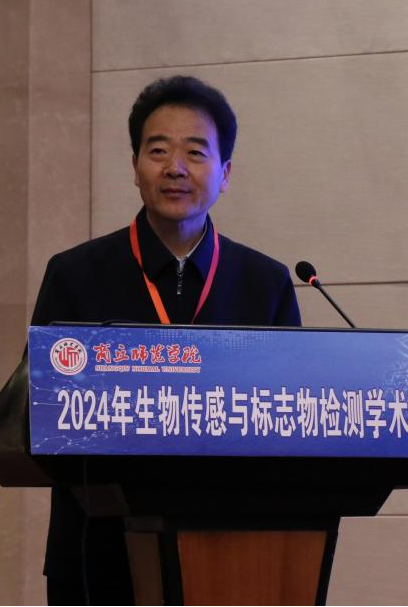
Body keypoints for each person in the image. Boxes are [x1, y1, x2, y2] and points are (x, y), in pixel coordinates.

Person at [31, 75, 301, 605]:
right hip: (96, 550)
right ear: (135, 166)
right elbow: (38, 413)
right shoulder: (75, 275)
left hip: (234, 547)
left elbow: (288, 421)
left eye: (195, 152)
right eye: (158, 150)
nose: (175, 167)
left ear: (225, 173)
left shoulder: (264, 283)